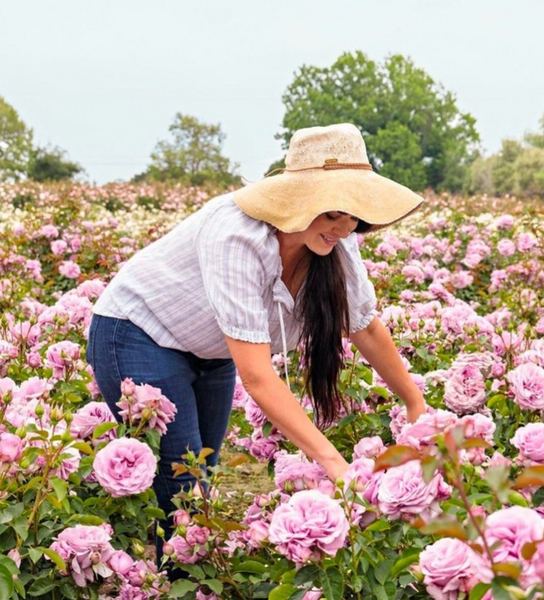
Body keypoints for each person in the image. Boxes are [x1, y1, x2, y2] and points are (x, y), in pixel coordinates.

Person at [86, 122, 426, 548]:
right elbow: (259, 378)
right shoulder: (237, 234)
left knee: (200, 475)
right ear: (300, 199)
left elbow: (364, 326)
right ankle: (168, 582)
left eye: (353, 216)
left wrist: (415, 403)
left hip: (210, 350)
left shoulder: (335, 241)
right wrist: (334, 464)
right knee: (183, 481)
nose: (344, 227)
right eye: (334, 212)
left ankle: (181, 570)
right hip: (138, 333)